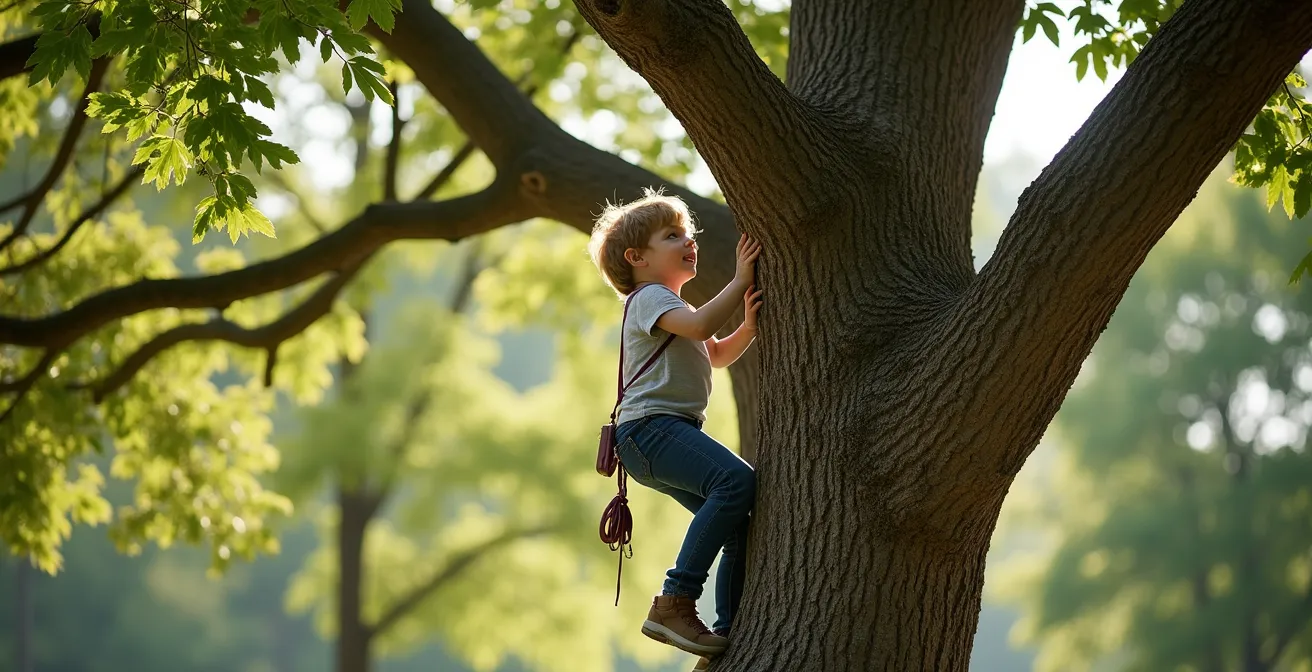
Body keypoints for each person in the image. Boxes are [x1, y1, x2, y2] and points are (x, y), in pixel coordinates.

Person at [587, 189, 763, 669]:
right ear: (637, 258)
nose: (688, 241)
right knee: (736, 481)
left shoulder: (672, 309)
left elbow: (717, 352)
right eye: (672, 235)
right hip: (651, 430)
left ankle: (727, 632)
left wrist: (748, 327)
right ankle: (674, 601)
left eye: (688, 233)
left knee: (736, 520)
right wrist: (740, 277)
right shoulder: (649, 298)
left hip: (657, 438)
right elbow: (705, 326)